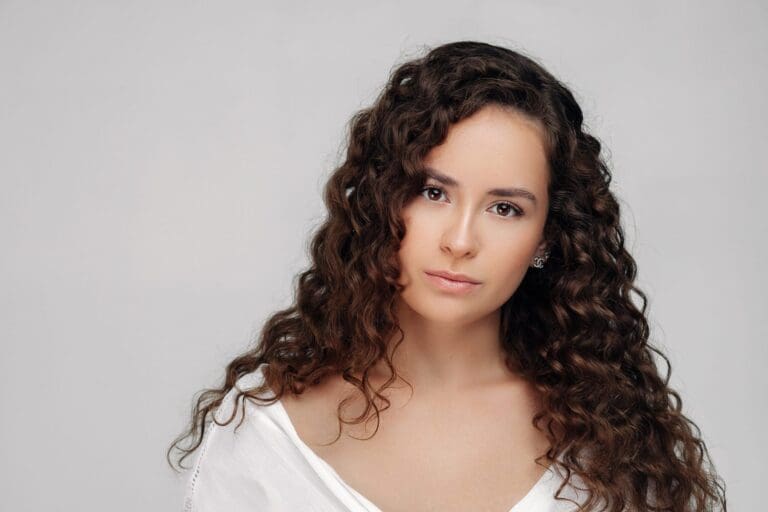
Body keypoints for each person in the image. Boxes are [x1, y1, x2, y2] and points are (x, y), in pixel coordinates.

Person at [167, 41, 727, 511]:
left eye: (505, 208)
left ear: (547, 238)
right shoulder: (266, 430)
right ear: (384, 200)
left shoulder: (609, 441)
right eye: (433, 193)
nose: (460, 241)